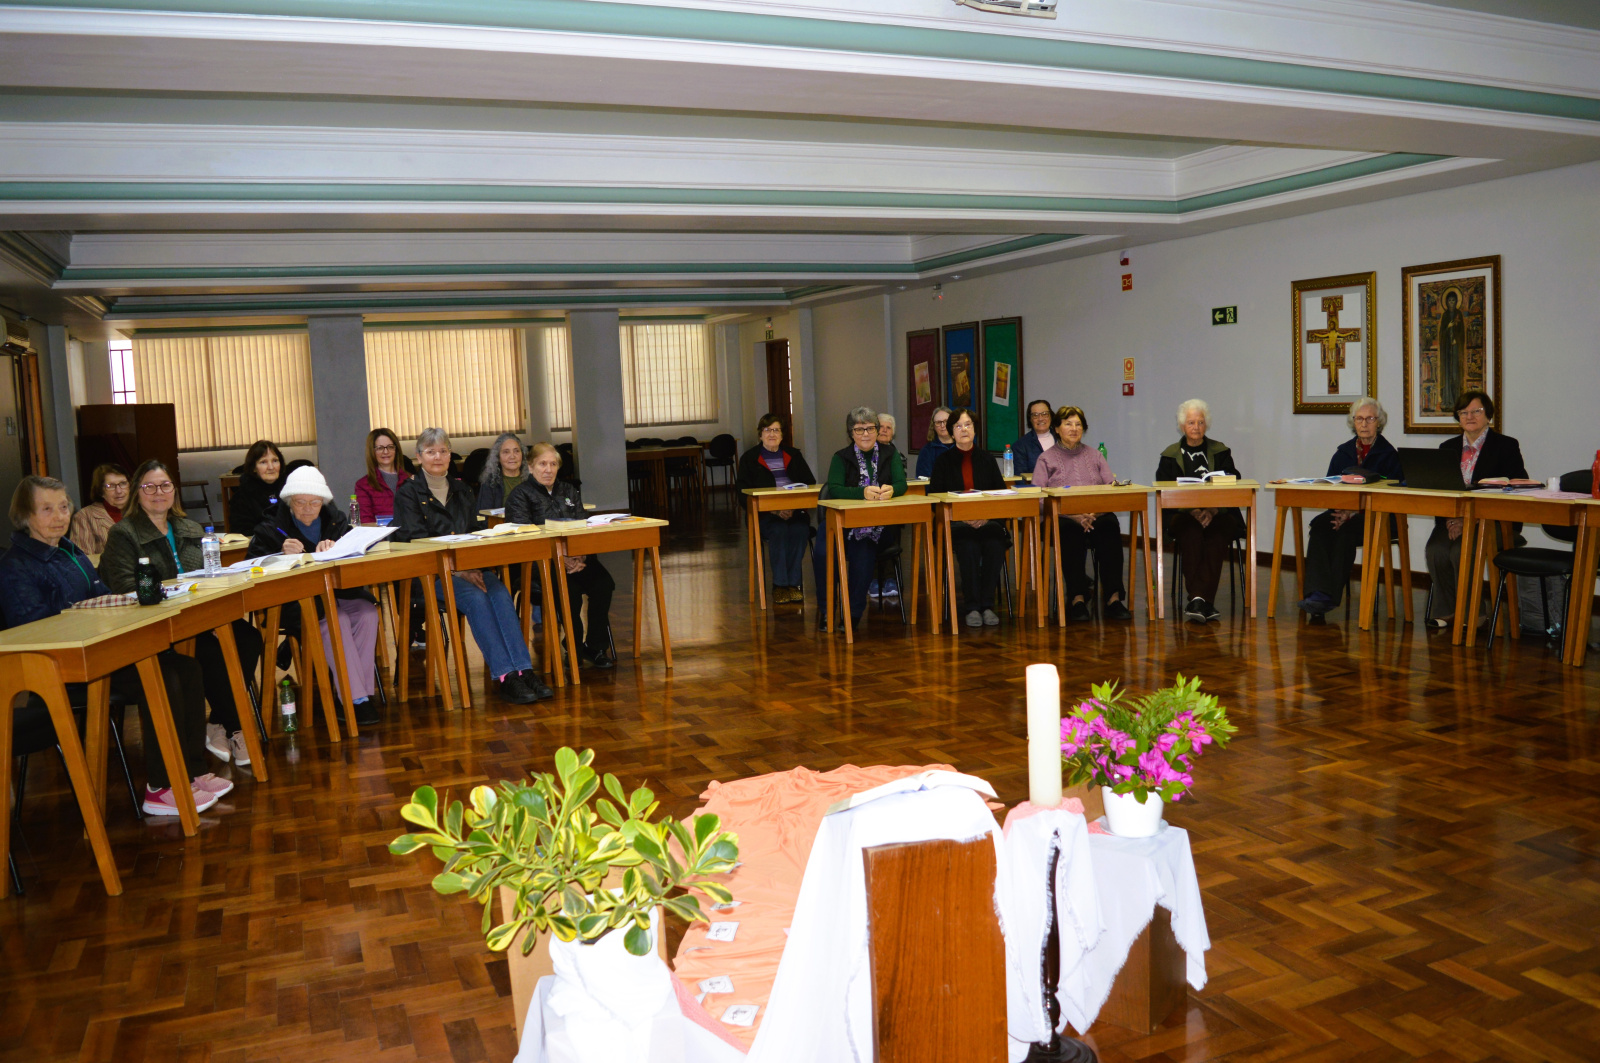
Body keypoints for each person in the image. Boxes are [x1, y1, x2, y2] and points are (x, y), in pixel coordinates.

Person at [0, 478, 233, 817]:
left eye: (64, 506)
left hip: (101, 651)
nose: (59, 516)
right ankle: (161, 786)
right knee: (163, 679)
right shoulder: (14, 567)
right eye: (47, 509)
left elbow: (102, 596)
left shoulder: (69, 551)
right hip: (63, 670)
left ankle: (191, 771)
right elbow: (33, 633)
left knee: (187, 668)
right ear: (24, 515)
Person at [100, 459, 266, 766]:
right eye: (149, 486)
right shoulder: (123, 534)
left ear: (174, 491)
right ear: (137, 492)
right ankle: (235, 726)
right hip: (158, 625)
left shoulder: (189, 528)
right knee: (212, 654)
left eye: (165, 485)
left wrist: (214, 613)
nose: (158, 493)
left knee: (248, 638)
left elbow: (208, 575)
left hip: (200, 617)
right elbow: (126, 588)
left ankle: (217, 722)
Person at [392, 428, 553, 702]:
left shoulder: (462, 489)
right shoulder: (408, 493)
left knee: (500, 593)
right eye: (431, 452)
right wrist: (457, 568)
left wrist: (474, 560)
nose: (438, 457)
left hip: (468, 568)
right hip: (429, 574)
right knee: (478, 599)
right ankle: (505, 676)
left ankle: (524, 670)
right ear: (419, 457)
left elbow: (474, 531)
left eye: (443, 451)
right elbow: (414, 540)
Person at [247, 465, 383, 726]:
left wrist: (338, 549)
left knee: (367, 613)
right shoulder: (270, 527)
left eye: (315, 502)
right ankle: (353, 700)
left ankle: (362, 695)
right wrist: (278, 554)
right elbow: (251, 569)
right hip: (297, 602)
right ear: (289, 502)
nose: (308, 508)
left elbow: (356, 558)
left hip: (339, 592)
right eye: (300, 502)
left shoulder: (337, 521)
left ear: (323, 501)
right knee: (337, 619)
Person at [1423, 390, 1526, 629]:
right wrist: (1451, 520)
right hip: (1453, 518)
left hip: (1493, 521)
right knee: (1436, 549)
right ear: (1457, 417)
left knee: (1462, 550)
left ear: (1488, 415)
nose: (1469, 417)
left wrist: (1475, 520)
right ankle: (1447, 612)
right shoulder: (1447, 447)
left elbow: (1518, 486)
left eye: (1476, 411)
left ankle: (1473, 615)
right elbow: (1440, 488)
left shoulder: (1506, 446)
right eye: (1463, 412)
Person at [507, 443, 616, 669]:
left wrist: (581, 556)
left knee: (604, 584)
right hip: (542, 563)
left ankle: (595, 647)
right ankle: (573, 648)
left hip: (577, 559)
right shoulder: (519, 495)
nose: (548, 469)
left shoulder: (568, 491)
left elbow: (584, 527)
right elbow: (524, 538)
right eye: (542, 464)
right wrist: (560, 559)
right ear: (530, 466)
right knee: (571, 591)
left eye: (553, 464)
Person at [1297, 397, 1403, 618]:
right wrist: (1341, 510)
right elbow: (1330, 486)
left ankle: (1328, 597)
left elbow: (1393, 495)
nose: (1364, 424)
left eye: (1370, 419)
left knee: (1344, 533)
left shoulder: (1390, 455)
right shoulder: (1342, 453)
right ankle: (1315, 592)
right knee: (1319, 526)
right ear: (1353, 422)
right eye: (1359, 419)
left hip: (1379, 516)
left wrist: (1353, 511)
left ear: (1379, 422)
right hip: (1342, 511)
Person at [1032, 405, 1130, 621]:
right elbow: (1039, 499)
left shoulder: (1095, 456)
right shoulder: (1046, 459)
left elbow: (1111, 488)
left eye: (1078, 424)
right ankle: (1077, 598)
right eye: (1068, 424)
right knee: (1070, 533)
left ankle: (1113, 598)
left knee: (1110, 526)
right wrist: (1073, 515)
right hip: (1063, 518)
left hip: (1096, 515)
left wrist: (1093, 512)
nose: (1074, 428)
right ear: (1057, 428)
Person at [813, 406, 907, 629]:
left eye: (870, 428)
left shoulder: (890, 454)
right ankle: (827, 611)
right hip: (841, 523)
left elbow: (901, 484)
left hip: (877, 526)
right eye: (859, 429)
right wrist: (861, 493)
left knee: (862, 551)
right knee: (823, 551)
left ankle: (853, 614)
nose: (865, 434)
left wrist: (892, 490)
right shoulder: (840, 458)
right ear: (851, 433)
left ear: (876, 430)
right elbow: (834, 489)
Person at [1154, 399, 1243, 623]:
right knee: (1191, 534)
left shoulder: (1220, 451)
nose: (1196, 427)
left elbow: (1234, 482)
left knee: (1218, 534)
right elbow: (1163, 490)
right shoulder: (1170, 455)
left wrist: (1212, 510)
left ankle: (1197, 599)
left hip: (1219, 514)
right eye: (1191, 422)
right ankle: (1204, 601)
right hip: (1183, 515)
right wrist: (1193, 510)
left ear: (1207, 425)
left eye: (1201, 422)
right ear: (1182, 426)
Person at [930, 408, 1011, 627]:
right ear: (951, 432)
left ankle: (987, 605)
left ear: (975, 430)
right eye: (958, 426)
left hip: (988, 521)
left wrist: (985, 517)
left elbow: (1001, 494)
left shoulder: (986, 459)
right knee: (969, 547)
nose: (964, 429)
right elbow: (934, 498)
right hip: (957, 523)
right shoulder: (943, 461)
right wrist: (963, 517)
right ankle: (973, 607)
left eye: (968, 425)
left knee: (995, 544)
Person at [735, 414, 816, 604]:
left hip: (794, 512)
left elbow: (809, 484)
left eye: (776, 430)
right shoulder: (750, 458)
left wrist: (794, 508)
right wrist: (774, 510)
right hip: (765, 515)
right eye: (767, 430)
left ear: (782, 435)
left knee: (799, 530)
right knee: (779, 530)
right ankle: (780, 586)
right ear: (760, 434)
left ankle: (794, 584)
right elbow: (742, 494)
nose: (772, 434)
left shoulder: (794, 455)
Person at [872, 413, 906, 599]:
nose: (884, 430)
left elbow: (900, 482)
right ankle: (873, 578)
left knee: (893, 527)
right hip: (868, 506)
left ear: (893, 433)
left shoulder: (897, 456)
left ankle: (891, 578)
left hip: (890, 506)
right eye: (881, 427)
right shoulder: (865, 452)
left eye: (888, 428)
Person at [68, 462, 130, 555]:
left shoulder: (143, 511)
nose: (119, 490)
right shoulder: (84, 517)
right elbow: (83, 561)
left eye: (123, 483)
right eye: (111, 486)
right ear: (100, 490)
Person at [228, 439, 287, 536]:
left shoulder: (290, 490)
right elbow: (242, 533)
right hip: (260, 547)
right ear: (254, 468)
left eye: (275, 461)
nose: (271, 467)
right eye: (263, 462)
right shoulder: (242, 497)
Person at [354, 427, 410, 523]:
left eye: (390, 447)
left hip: (410, 536)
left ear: (396, 449)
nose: (386, 452)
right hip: (382, 537)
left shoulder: (411, 480)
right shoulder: (363, 485)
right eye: (379, 448)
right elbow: (367, 523)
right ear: (372, 452)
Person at [478, 432, 531, 511]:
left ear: (522, 454)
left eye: (516, 451)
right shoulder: (490, 483)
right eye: (506, 452)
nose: (512, 456)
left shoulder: (531, 479)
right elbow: (483, 516)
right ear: (498, 457)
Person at [1011, 399, 1057, 476]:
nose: (1040, 418)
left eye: (1045, 414)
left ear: (1051, 416)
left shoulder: (1062, 439)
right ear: (1030, 419)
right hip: (1035, 487)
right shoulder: (1020, 446)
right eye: (1035, 415)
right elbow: (1020, 478)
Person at [914, 406, 955, 479]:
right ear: (933, 426)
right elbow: (924, 481)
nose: (943, 425)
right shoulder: (927, 451)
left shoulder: (962, 446)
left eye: (946, 421)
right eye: (938, 422)